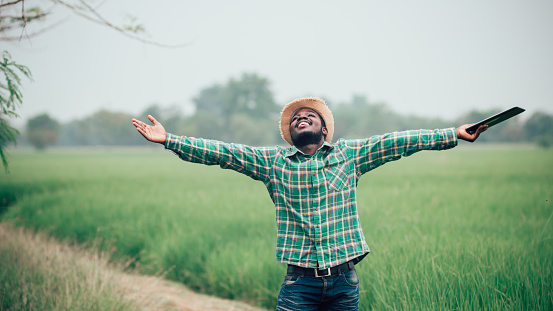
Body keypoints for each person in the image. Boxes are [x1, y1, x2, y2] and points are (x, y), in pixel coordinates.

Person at [132, 97, 487, 311]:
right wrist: (170, 140)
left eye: (310, 116)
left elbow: (396, 141)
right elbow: (224, 152)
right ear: (291, 132)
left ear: (323, 130)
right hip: (298, 285)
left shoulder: (349, 155)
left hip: (345, 282)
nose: (302, 118)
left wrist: (452, 134)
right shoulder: (273, 163)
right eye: (296, 118)